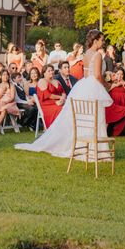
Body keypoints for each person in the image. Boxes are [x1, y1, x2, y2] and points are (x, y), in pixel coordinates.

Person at [16, 29, 113, 159]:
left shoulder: (85, 55)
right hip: (93, 87)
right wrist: (107, 85)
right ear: (95, 41)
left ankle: (83, 146)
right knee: (94, 116)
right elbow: (97, 75)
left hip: (84, 86)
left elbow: (85, 74)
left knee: (83, 117)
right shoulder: (98, 55)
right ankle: (92, 149)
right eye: (102, 40)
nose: (103, 42)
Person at [105, 67, 125, 136]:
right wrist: (115, 85)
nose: (119, 76)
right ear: (114, 75)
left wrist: (124, 84)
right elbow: (105, 92)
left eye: (121, 74)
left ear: (124, 75)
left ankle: (124, 132)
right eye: (118, 74)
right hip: (114, 105)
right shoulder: (111, 82)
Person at [0, 70, 20, 134]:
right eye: (3, 75)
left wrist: (5, 102)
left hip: (10, 103)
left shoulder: (11, 85)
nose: (5, 76)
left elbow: (12, 97)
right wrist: (2, 92)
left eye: (7, 75)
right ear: (0, 76)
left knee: (4, 109)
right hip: (0, 102)